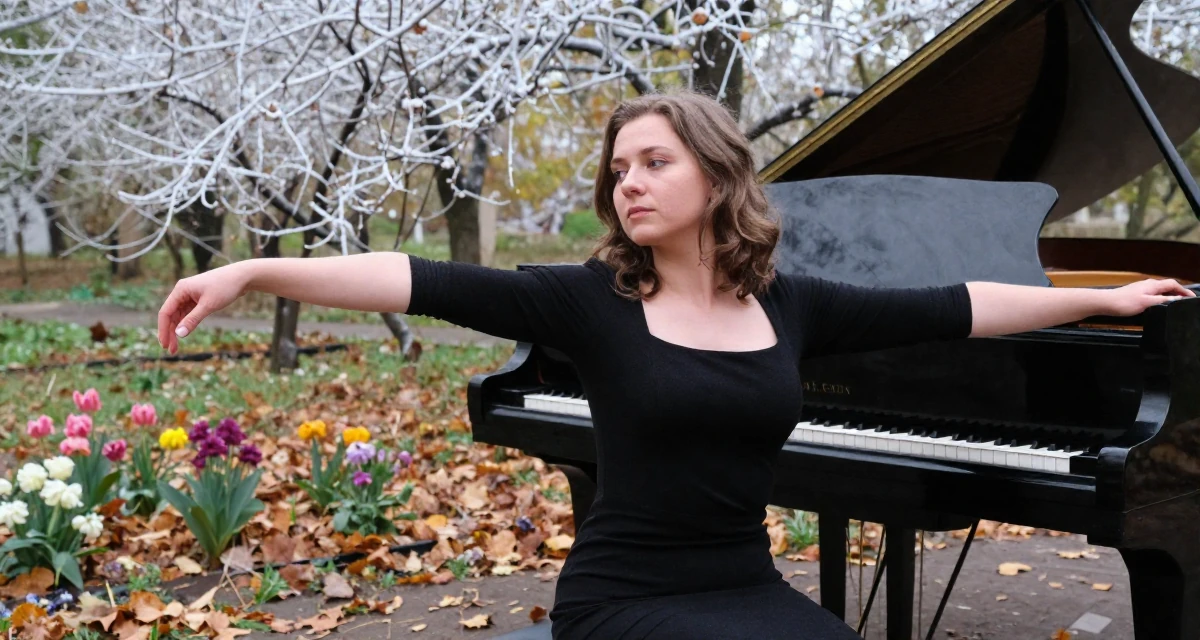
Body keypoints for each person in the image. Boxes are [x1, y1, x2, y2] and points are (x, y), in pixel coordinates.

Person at [157, 88, 1193, 639]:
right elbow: (417, 277)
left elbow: (957, 305)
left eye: (655, 162)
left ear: (717, 173)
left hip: (741, 580)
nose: (629, 185)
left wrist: (1098, 296)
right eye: (618, 170)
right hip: (623, 595)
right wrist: (254, 269)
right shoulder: (587, 300)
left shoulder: (792, 304)